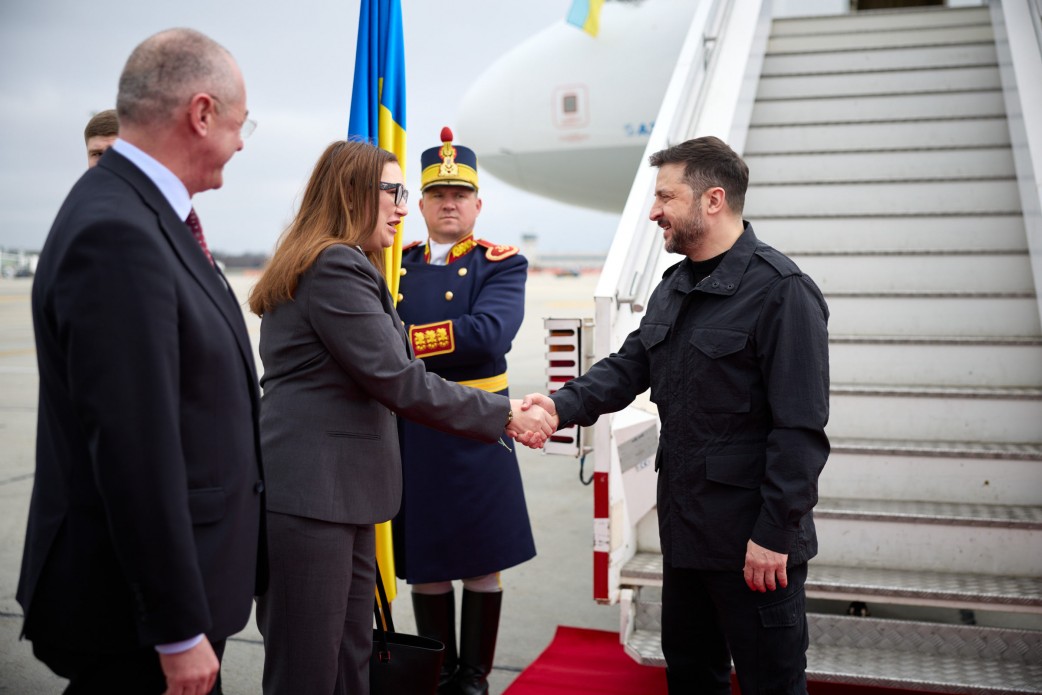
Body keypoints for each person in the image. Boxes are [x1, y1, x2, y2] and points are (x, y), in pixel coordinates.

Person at [524, 136, 830, 694]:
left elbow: (800, 432)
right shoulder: (674, 286)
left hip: (753, 546)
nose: (653, 211)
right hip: (687, 535)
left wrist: (774, 535)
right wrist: (558, 406)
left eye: (666, 197)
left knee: (773, 685)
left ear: (713, 200)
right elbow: (628, 367)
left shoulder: (782, 292)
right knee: (691, 678)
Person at [247, 139, 554, 695]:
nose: (403, 206)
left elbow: (481, 336)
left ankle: (470, 678)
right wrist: (506, 413)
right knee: (309, 667)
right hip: (317, 495)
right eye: (394, 191)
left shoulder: (348, 261)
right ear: (352, 194)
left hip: (343, 490)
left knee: (348, 658)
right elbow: (399, 377)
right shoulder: (336, 265)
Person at [19, 28, 264, 695]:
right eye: (241, 124)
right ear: (202, 113)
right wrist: (176, 628)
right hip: (138, 620)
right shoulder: (117, 232)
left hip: (162, 599)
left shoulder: (144, 214)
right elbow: (134, 450)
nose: (243, 143)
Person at [392, 126, 536, 695]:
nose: (449, 203)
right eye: (437, 194)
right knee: (426, 562)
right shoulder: (395, 264)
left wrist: (404, 340)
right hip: (418, 426)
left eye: (460, 195)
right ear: (421, 204)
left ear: (478, 204)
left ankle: (473, 680)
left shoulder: (500, 263)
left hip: (479, 426)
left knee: (481, 559)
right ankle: (438, 676)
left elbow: (488, 334)